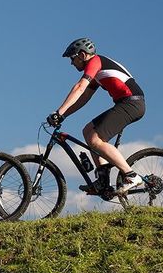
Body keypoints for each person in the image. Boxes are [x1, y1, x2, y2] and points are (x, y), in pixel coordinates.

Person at [47, 37, 146, 195]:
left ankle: (131, 175)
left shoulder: (96, 62)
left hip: (132, 103)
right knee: (88, 131)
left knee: (95, 139)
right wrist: (64, 115)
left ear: (82, 54)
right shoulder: (97, 71)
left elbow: (80, 87)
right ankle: (103, 182)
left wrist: (58, 111)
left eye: (73, 58)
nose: (72, 63)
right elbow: (84, 97)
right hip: (126, 104)